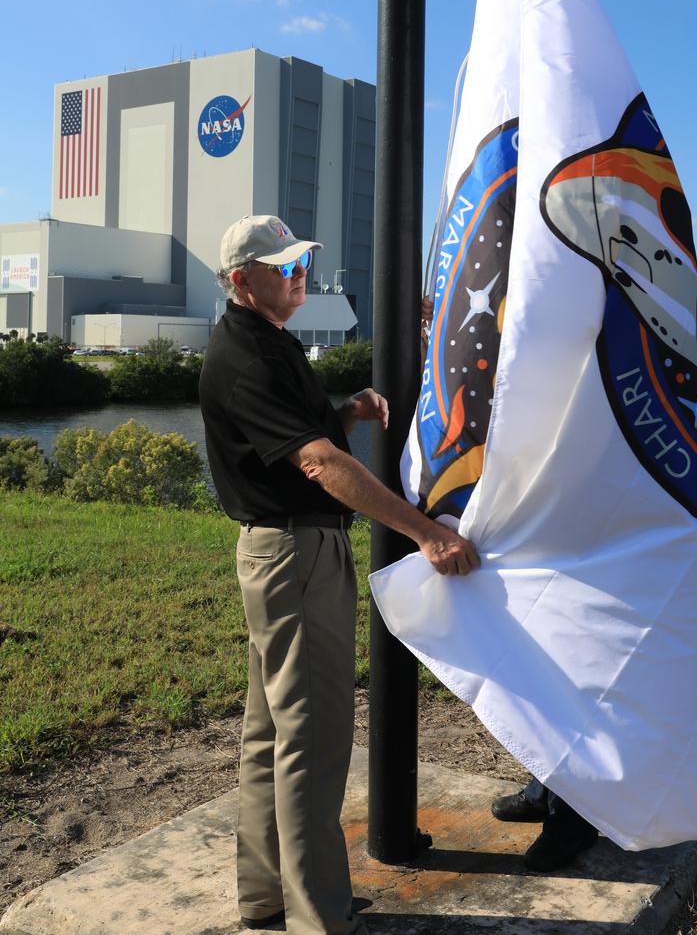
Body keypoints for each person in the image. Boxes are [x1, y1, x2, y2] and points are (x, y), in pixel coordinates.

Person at [199, 215, 479, 935]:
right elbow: (317, 463)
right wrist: (423, 533)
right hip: (295, 555)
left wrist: (345, 409)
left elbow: (296, 431)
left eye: (301, 263)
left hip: (284, 551)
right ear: (241, 279)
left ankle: (269, 898)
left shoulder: (266, 341)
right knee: (314, 738)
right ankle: (320, 916)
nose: (298, 275)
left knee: (271, 736)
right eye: (282, 266)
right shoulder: (248, 354)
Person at [421, 294, 599, 873]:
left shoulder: (573, 333)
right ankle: (543, 786)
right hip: (519, 526)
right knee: (526, 665)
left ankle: (574, 818)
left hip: (564, 526)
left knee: (566, 669)